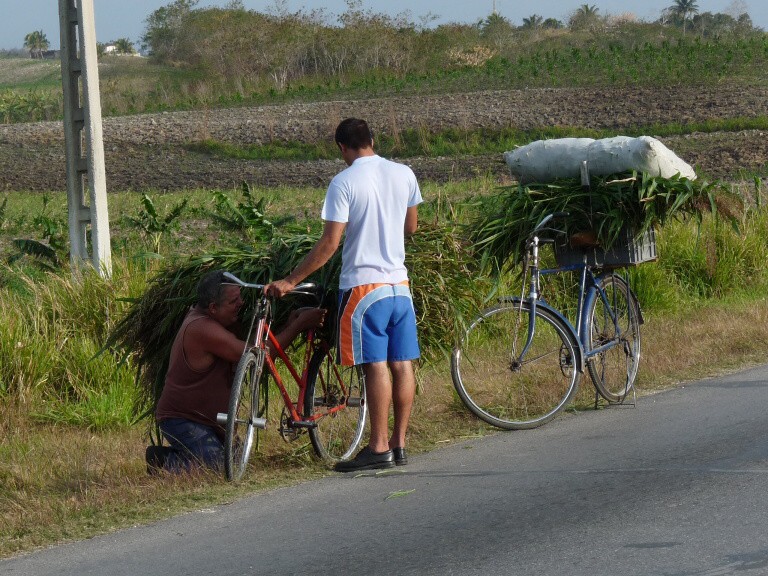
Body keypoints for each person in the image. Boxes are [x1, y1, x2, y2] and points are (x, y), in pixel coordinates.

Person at [265, 117, 422, 472]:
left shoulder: (344, 182)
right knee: (402, 364)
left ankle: (378, 447)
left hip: (365, 289)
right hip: (400, 287)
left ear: (342, 148)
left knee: (375, 366)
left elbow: (330, 243)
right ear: (372, 139)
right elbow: (411, 227)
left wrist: (291, 280)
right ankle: (399, 444)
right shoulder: (404, 173)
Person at [147, 269, 326, 474]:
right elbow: (260, 357)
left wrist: (288, 323)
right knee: (216, 468)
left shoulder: (218, 322)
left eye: (240, 296)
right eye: (234, 301)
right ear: (213, 307)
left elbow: (255, 345)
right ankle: (161, 462)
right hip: (183, 419)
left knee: (237, 459)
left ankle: (189, 455)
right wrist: (299, 326)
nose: (241, 304)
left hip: (213, 422)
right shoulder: (202, 328)